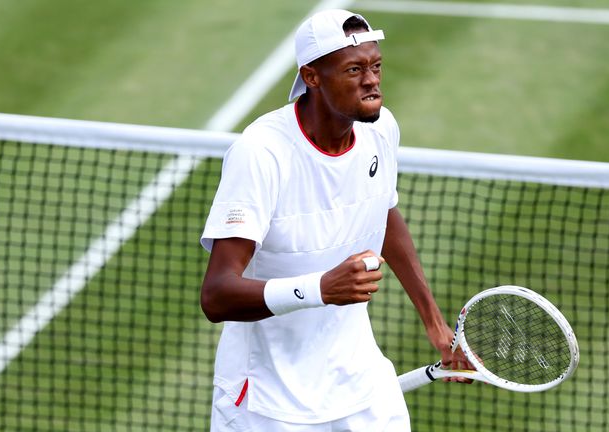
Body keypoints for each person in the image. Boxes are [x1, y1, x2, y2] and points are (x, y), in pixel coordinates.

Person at [199, 9, 465, 431]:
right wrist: (320, 289)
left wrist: (435, 322)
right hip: (265, 402)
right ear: (313, 76)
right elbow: (216, 296)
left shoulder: (381, 131)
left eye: (376, 66)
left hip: (363, 387)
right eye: (354, 69)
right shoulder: (261, 153)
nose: (372, 80)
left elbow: (384, 210)